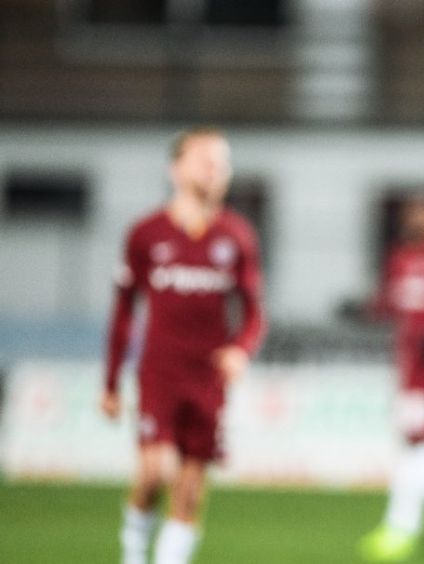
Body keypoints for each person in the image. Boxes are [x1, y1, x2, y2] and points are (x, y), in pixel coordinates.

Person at [102, 127, 266, 564]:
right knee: (155, 472)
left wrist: (241, 349)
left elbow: (255, 313)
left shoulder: (236, 235)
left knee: (190, 488)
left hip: (208, 378)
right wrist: (111, 383)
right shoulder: (146, 234)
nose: (215, 170)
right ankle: (134, 552)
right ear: (175, 169)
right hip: (161, 372)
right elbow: (123, 312)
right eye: (205, 160)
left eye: (222, 163)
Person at [358, 195, 424, 562]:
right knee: (419, 445)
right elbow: (388, 305)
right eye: (413, 213)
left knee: (420, 442)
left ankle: (417, 524)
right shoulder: (399, 259)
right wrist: (363, 310)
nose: (418, 219)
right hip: (408, 368)